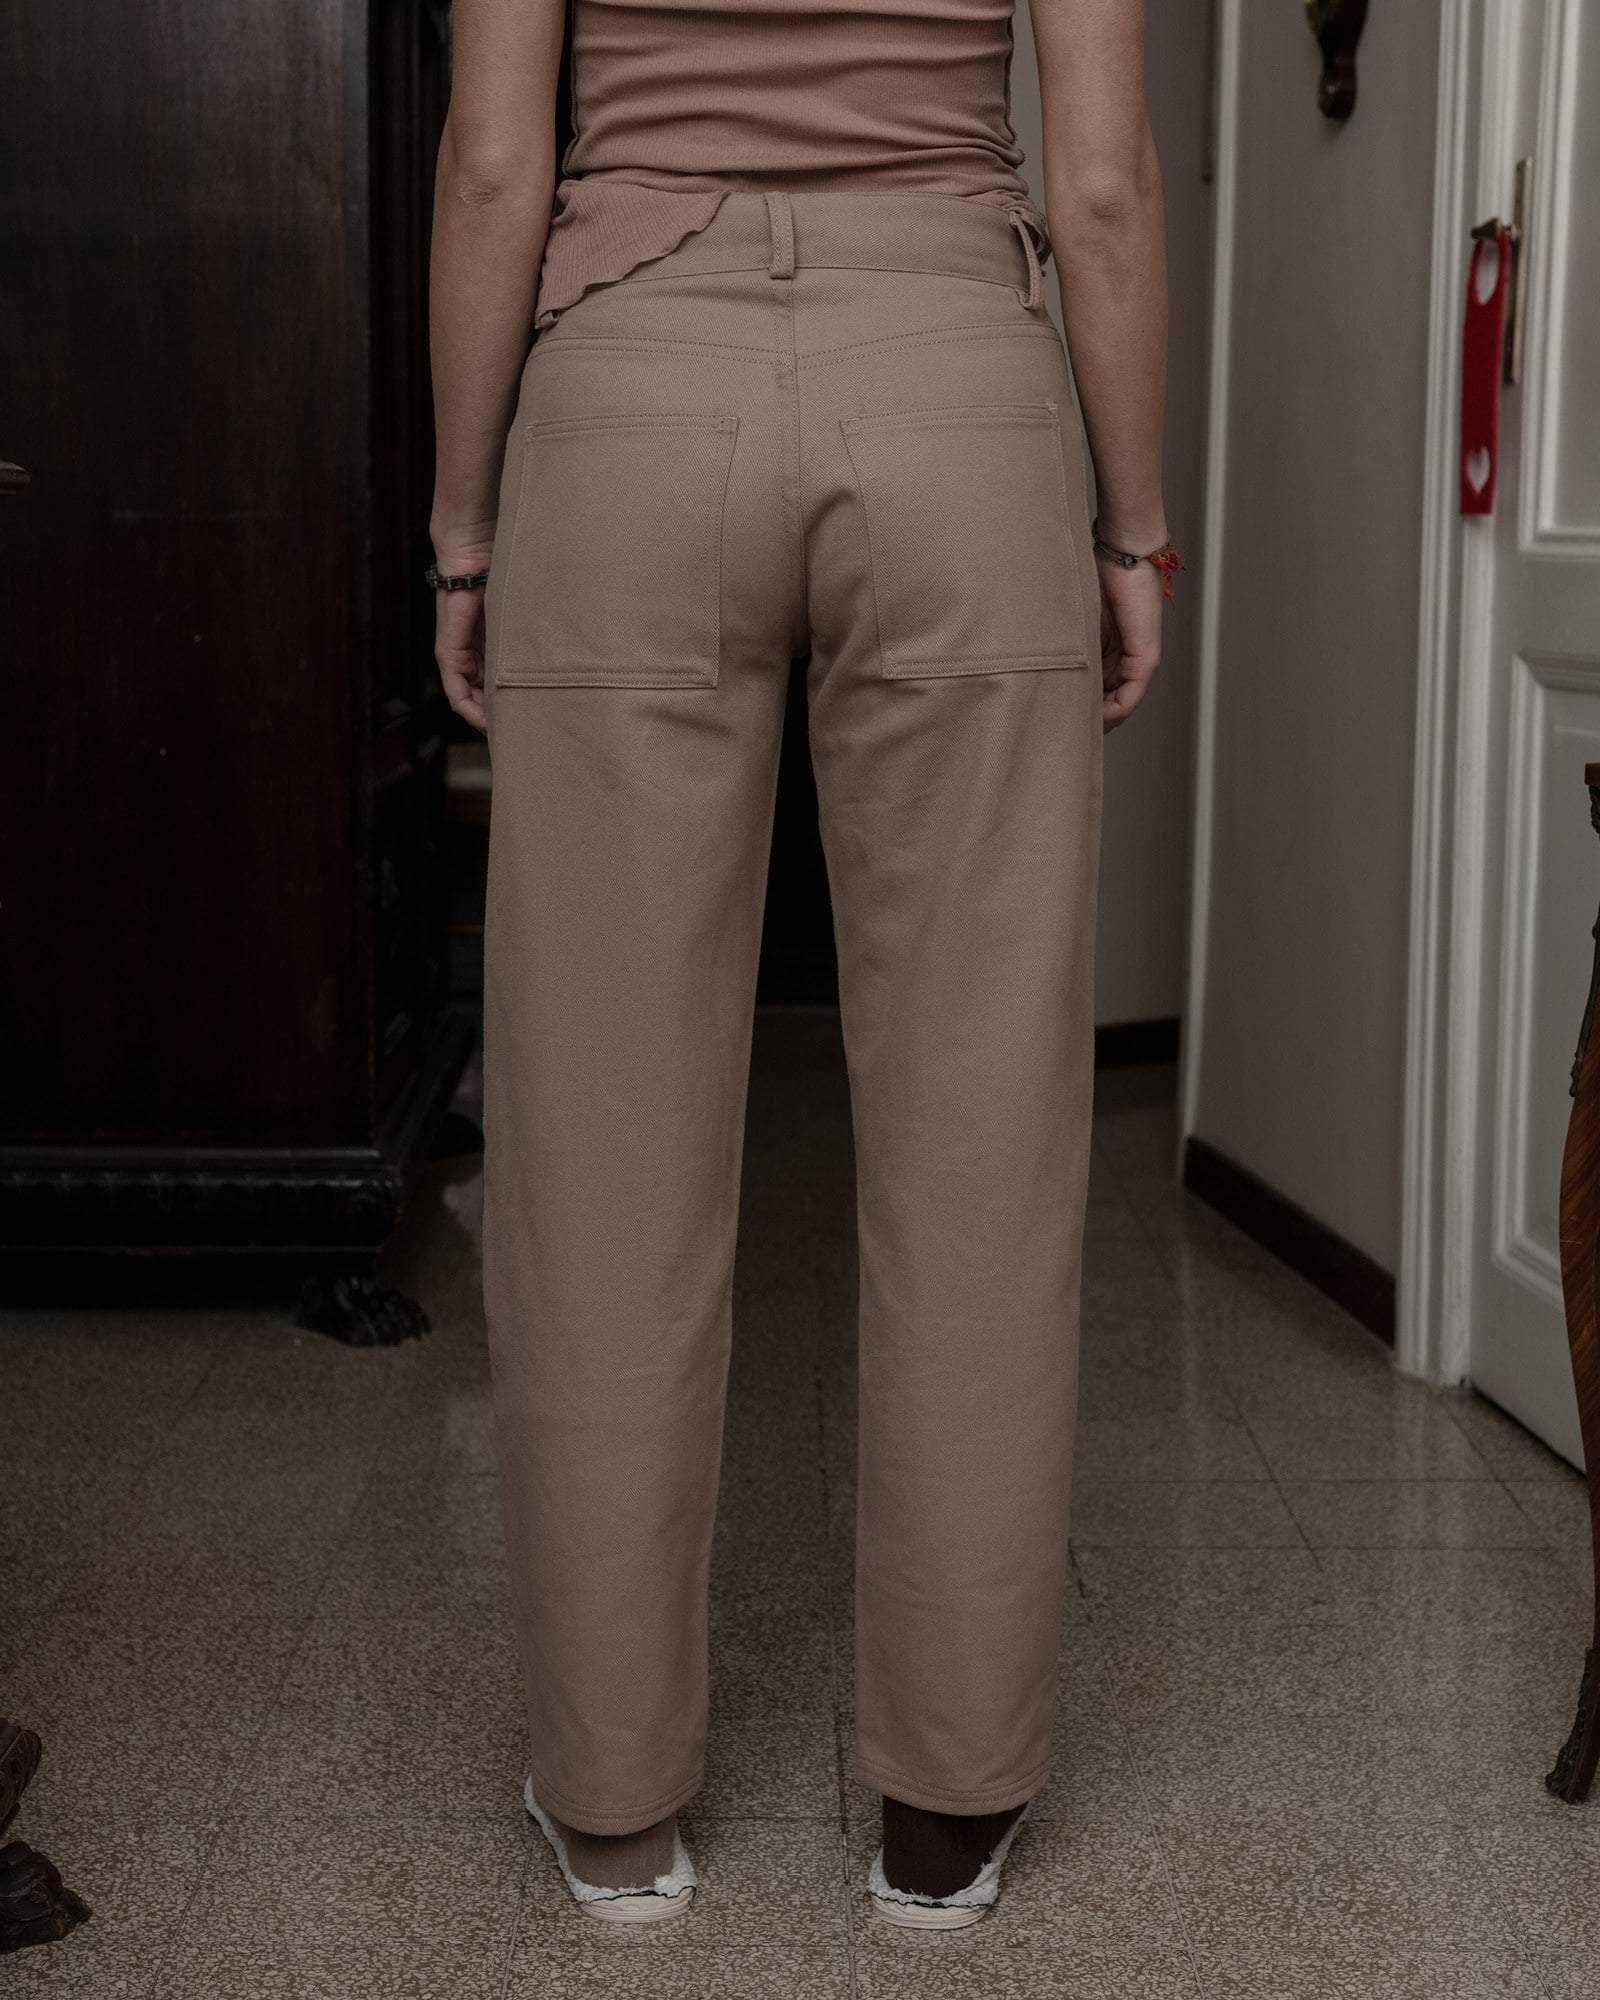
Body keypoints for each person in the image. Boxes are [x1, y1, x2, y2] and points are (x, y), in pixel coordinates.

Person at [428, 0, 1171, 1929]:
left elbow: (497, 163)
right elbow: (1100, 180)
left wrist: (465, 531)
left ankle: (615, 1809)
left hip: (626, 406)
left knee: (601, 1146)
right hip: (958, 400)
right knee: (981, 1146)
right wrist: (1135, 526)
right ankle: (947, 1814)